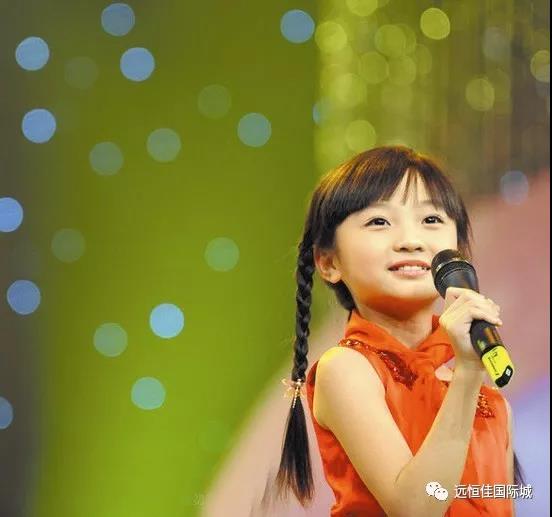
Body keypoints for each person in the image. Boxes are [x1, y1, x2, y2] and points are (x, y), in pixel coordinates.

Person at [275, 145, 525, 516]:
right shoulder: (345, 369)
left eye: (431, 220)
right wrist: (468, 374)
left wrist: (468, 373)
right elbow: (416, 507)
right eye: (379, 221)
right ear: (328, 262)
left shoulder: (490, 399)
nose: (411, 240)